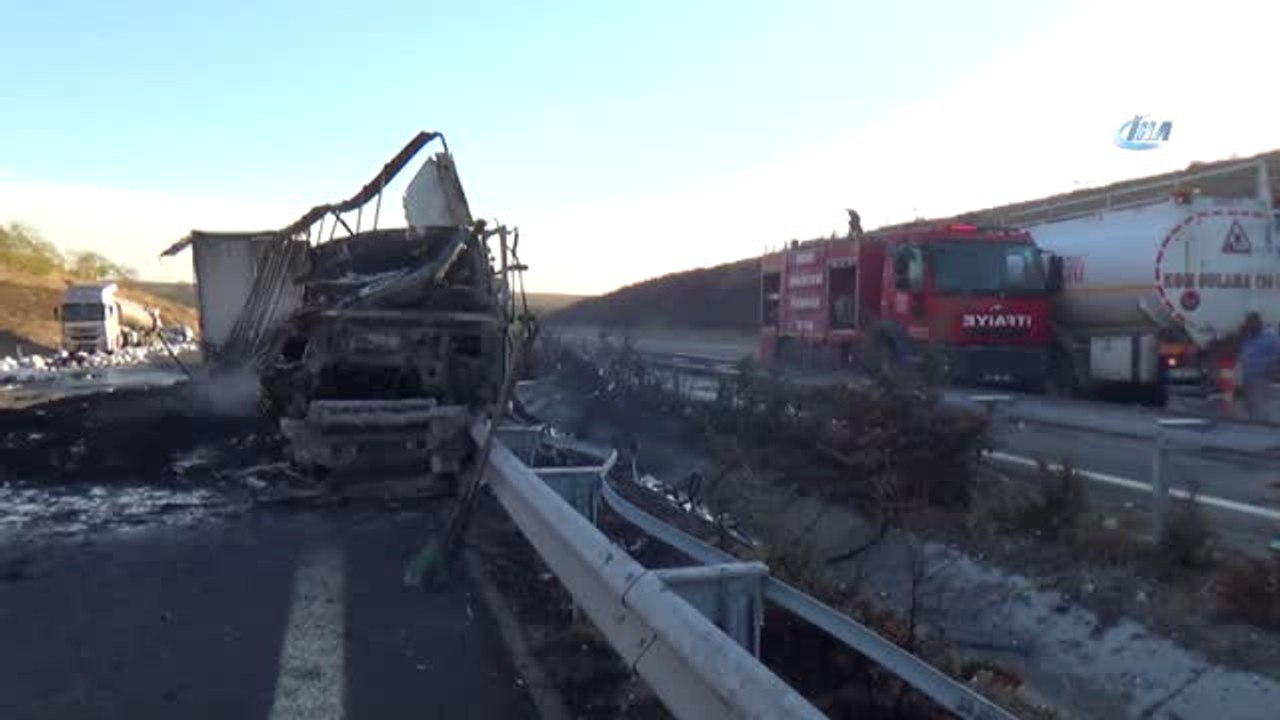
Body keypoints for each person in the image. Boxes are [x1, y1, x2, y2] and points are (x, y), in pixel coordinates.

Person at [1238, 311, 1280, 422]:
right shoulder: (1246, 337)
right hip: (1247, 377)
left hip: (1261, 377)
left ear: (1258, 323)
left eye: (1250, 323)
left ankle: (1262, 431)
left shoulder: (1271, 336)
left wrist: (1274, 370)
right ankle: (1254, 429)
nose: (1248, 325)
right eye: (1247, 323)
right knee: (1250, 407)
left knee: (1259, 408)